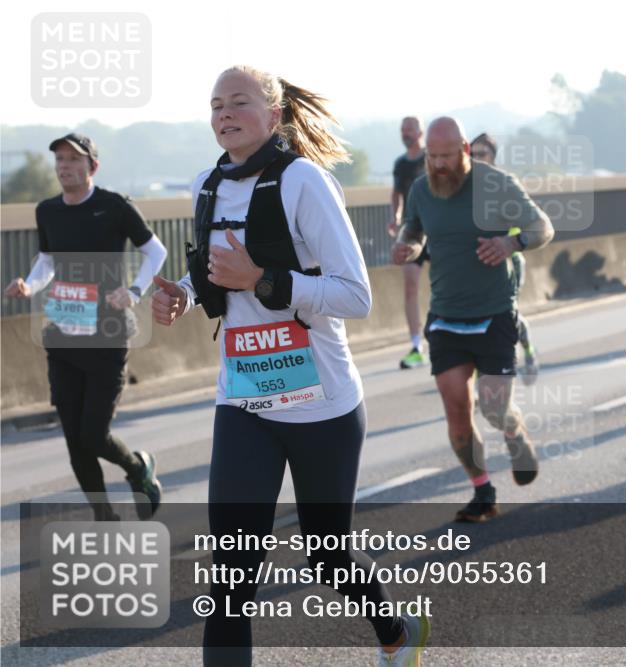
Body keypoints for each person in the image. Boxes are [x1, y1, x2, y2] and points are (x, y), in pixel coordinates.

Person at [150, 65, 428, 666]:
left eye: (239, 103)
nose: (224, 113)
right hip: (245, 400)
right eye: (216, 104)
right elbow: (210, 273)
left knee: (329, 556)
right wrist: (183, 292)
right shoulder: (205, 185)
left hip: (321, 403)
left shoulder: (305, 182)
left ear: (273, 115)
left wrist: (266, 280)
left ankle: (396, 633)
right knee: (230, 576)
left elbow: (356, 295)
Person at [392, 117, 554, 522]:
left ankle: (514, 432)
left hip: (494, 311)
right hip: (446, 314)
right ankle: (483, 491)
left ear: (464, 149)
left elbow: (542, 226)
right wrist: (407, 247)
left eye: (447, 156)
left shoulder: (496, 184)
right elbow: (414, 230)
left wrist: (510, 241)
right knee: (456, 408)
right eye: (433, 156)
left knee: (495, 408)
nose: (440, 164)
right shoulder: (421, 189)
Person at [5, 133, 166, 523]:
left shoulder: (114, 206)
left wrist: (133, 291)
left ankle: (136, 468)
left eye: (74, 159)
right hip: (62, 335)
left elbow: (155, 252)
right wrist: (30, 284)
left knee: (93, 435)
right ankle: (104, 515)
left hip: (109, 334)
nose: (64, 166)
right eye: (59, 159)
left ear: (92, 166)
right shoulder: (47, 210)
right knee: (74, 440)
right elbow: (47, 261)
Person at [470, 131, 539, 382]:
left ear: (492, 157)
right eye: (472, 154)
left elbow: (533, 225)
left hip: (508, 263)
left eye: (481, 154)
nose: (476, 159)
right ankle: (479, 379)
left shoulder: (504, 185)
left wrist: (509, 243)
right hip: (477, 264)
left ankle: (528, 350)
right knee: (475, 319)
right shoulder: (465, 187)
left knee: (504, 316)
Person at [387, 117, 429, 369]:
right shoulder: (401, 164)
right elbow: (396, 194)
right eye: (402, 129)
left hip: (437, 228)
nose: (406, 133)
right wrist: (396, 217)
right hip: (412, 230)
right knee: (410, 286)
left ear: (420, 131)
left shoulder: (432, 158)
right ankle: (416, 345)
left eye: (410, 129)